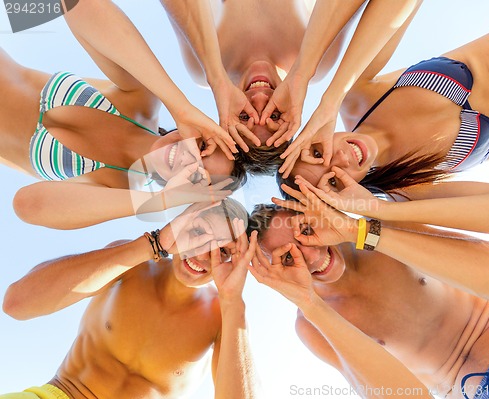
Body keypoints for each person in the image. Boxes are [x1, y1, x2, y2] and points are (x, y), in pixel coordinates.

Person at [4, 0, 246, 230]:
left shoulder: (118, 188)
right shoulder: (142, 99)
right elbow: (76, 5)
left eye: (195, 175)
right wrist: (180, 106)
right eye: (202, 147)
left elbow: (26, 204)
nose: (188, 157)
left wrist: (163, 201)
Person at [247, 178, 489, 399]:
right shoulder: (311, 324)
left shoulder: (381, 226)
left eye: (306, 231)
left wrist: (357, 231)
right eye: (289, 258)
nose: (311, 256)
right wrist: (308, 302)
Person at [2, 199, 259, 399]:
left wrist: (232, 300)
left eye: (223, 250)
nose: (204, 254)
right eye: (198, 232)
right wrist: (153, 244)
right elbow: (17, 303)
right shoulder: (134, 265)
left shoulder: (223, 317)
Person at [159, 0, 423, 174]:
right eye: (274, 116)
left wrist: (215, 75)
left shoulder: (205, 68)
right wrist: (308, 78)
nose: (260, 98)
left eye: (244, 116)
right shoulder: (314, 65)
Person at [278, 24, 489, 195]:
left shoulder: (354, 97)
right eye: (334, 181)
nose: (340, 159)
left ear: (309, 137)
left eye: (318, 153)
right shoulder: (411, 186)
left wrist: (331, 100)